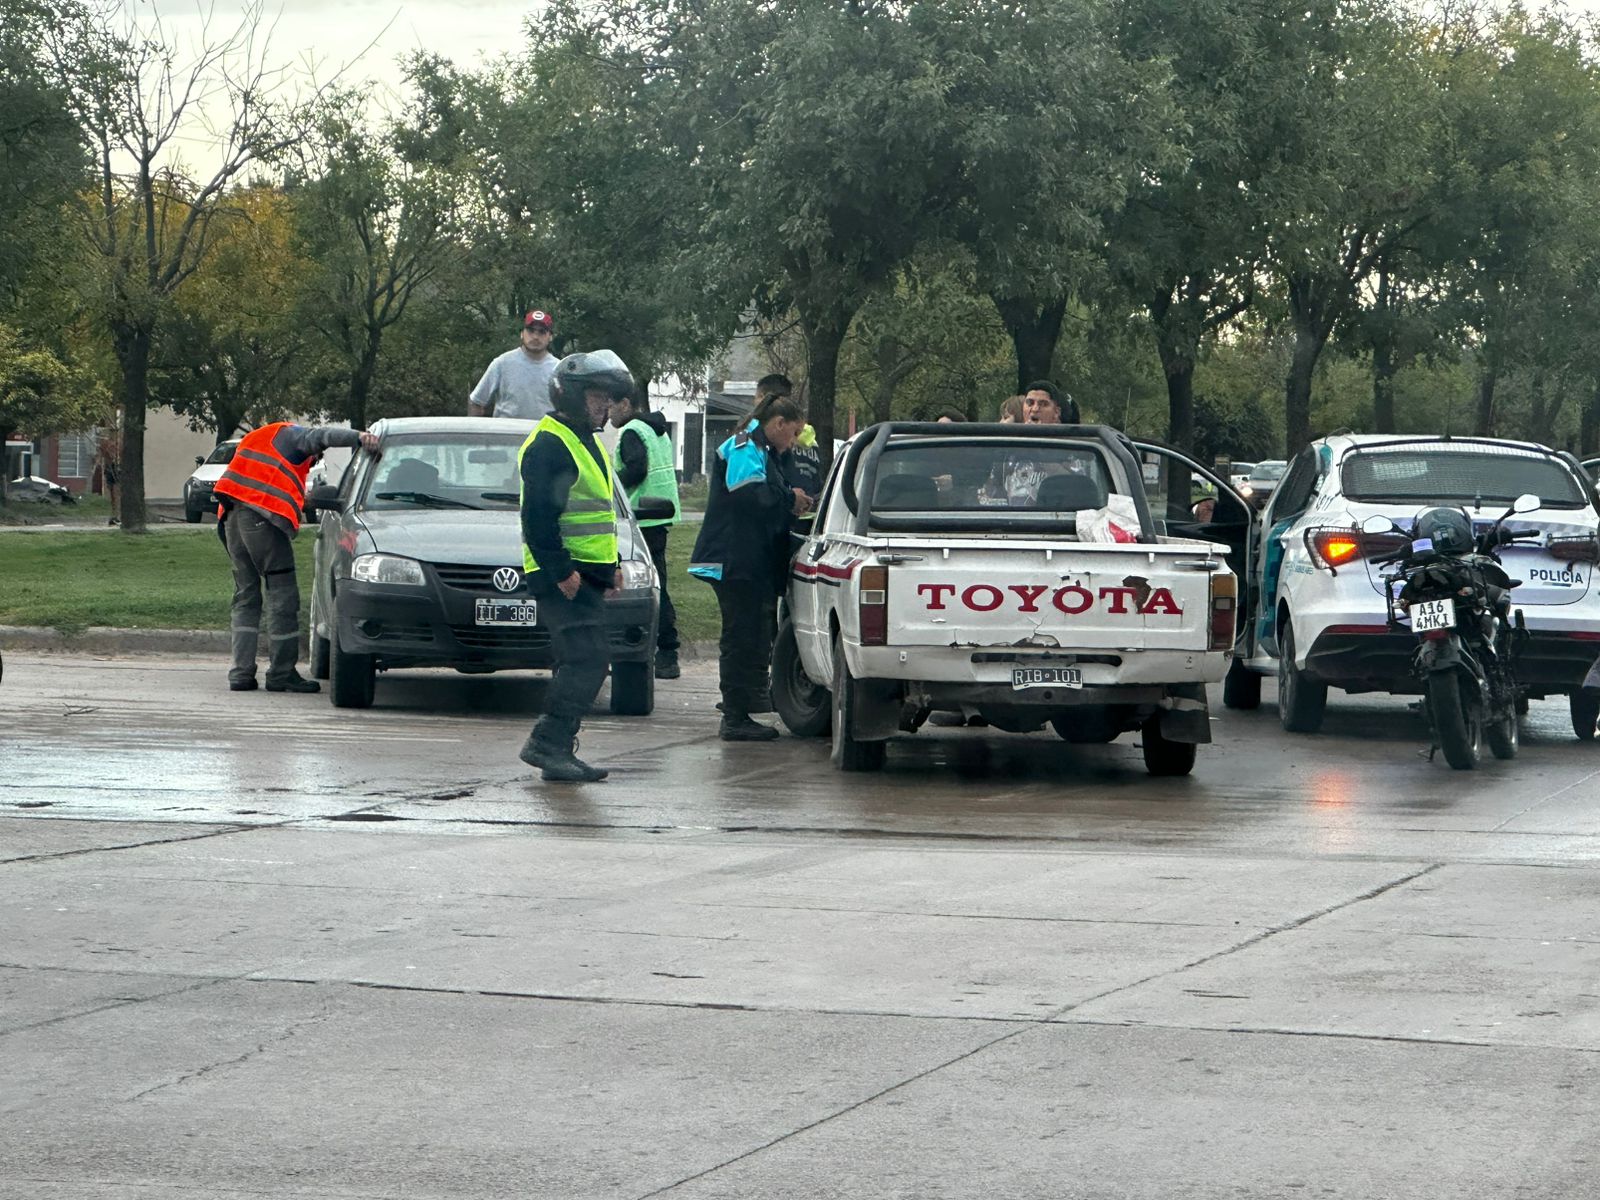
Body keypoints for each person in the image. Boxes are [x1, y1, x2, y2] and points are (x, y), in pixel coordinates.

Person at [517, 350, 635, 783]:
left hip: (586, 572)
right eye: (599, 397)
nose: (607, 406)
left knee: (580, 660)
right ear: (572, 396)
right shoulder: (551, 444)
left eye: (609, 398)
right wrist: (561, 571)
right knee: (588, 660)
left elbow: (597, 513)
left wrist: (612, 565)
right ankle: (547, 744)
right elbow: (538, 518)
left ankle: (557, 751)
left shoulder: (584, 440)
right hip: (564, 575)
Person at [215, 421, 379, 693]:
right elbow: (321, 435)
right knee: (283, 595)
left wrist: (304, 500)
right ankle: (282, 673)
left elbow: (267, 479)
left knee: (246, 597)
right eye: (316, 456)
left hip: (230, 517)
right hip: (260, 519)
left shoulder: (258, 437)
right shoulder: (292, 435)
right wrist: (359, 437)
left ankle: (240, 674)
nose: (314, 459)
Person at [689, 392, 809, 741]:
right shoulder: (744, 447)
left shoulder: (763, 450)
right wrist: (789, 498)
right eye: (794, 432)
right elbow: (749, 497)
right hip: (733, 560)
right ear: (779, 424)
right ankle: (734, 717)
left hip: (748, 560)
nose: (795, 441)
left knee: (753, 635)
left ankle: (749, 702)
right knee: (740, 637)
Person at [608, 386, 682, 680]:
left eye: (611, 406)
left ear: (625, 404)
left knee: (648, 586)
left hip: (642, 516)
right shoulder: (655, 429)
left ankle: (666, 651)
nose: (608, 413)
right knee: (658, 583)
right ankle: (666, 651)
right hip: (657, 515)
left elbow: (637, 470)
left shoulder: (632, 431)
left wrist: (610, 485)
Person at [468, 310, 559, 420]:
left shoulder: (558, 369)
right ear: (522, 333)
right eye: (531, 330)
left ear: (550, 336)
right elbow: (476, 402)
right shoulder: (502, 363)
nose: (535, 336)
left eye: (542, 332)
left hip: (544, 431)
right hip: (507, 430)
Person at [96, 431, 119, 525]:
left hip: (116, 469)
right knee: (112, 494)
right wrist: (97, 464)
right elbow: (100, 457)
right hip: (109, 469)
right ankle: (114, 515)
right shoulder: (104, 445)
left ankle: (117, 515)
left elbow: (114, 456)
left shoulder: (117, 444)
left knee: (116, 493)